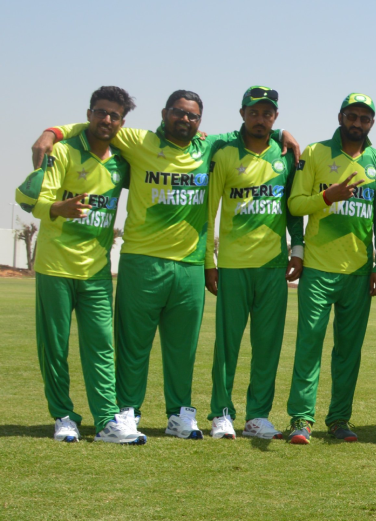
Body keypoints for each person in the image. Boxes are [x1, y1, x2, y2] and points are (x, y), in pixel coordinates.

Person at [32, 91, 300, 440]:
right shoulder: (137, 139)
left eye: (192, 116)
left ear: (200, 121)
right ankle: (128, 411)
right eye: (178, 113)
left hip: (188, 263)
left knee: (182, 347)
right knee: (132, 345)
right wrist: (51, 132)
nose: (184, 120)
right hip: (142, 260)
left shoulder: (210, 146)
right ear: (164, 113)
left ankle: (178, 414)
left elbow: (252, 130)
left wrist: (283, 134)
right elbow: (99, 125)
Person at [15, 86, 142, 444]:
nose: (106, 119)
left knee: (102, 346)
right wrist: (58, 208)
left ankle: (106, 420)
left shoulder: (122, 159)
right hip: (55, 268)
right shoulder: (65, 151)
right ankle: (64, 416)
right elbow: (37, 201)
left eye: (114, 115)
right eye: (100, 112)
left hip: (97, 271)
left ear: (122, 121)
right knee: (54, 347)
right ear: (88, 114)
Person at [285, 93, 376, 444]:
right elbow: (295, 204)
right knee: (309, 344)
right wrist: (326, 197)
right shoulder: (315, 153)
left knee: (348, 350)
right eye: (352, 116)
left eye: (364, 118)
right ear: (340, 116)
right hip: (318, 267)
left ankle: (339, 419)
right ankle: (301, 419)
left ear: (371, 123)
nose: (357, 123)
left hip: (359, 272)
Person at [203, 87, 304, 441]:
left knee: (267, 345)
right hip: (232, 265)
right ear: (242, 113)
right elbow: (208, 211)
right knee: (227, 344)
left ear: (275, 117)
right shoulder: (225, 152)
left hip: (273, 266)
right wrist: (208, 260)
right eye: (254, 112)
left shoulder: (285, 154)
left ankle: (258, 416)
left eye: (268, 114)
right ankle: (222, 413)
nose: (260, 119)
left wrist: (298, 249)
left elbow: (293, 206)